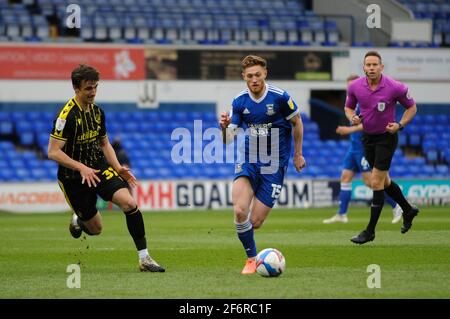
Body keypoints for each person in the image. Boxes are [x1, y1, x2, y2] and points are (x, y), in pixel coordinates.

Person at [47, 64, 165, 272]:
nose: (92, 92)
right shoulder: (66, 117)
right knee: (96, 229)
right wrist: (81, 167)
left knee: (129, 203)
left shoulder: (98, 113)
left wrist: (118, 167)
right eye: (88, 88)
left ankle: (144, 259)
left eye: (95, 87)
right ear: (76, 89)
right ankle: (79, 219)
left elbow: (104, 143)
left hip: (99, 168)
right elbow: (53, 152)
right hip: (74, 178)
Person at [219, 55, 306, 274]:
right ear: (243, 77)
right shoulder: (239, 101)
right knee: (239, 211)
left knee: (255, 222)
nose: (254, 79)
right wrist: (224, 127)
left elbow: (297, 122)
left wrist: (298, 154)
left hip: (275, 164)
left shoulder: (280, 97)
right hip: (249, 159)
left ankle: (254, 253)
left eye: (258, 75)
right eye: (250, 76)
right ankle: (251, 259)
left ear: (265, 74)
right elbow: (228, 138)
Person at [345, 51, 419, 244]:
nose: (371, 68)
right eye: (368, 65)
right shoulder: (354, 86)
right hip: (367, 138)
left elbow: (412, 107)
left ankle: (370, 231)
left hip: (387, 138)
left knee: (375, 182)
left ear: (381, 67)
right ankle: (408, 210)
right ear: (363, 67)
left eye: (374, 65)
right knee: (384, 182)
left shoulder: (395, 87)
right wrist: (351, 117)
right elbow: (349, 107)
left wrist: (400, 125)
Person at [323, 75, 403, 225]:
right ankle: (342, 214)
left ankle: (397, 205)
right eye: (348, 86)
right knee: (345, 177)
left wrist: (348, 129)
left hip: (364, 147)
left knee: (372, 182)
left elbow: (367, 123)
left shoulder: (364, 102)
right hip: (353, 149)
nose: (350, 88)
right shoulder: (350, 103)